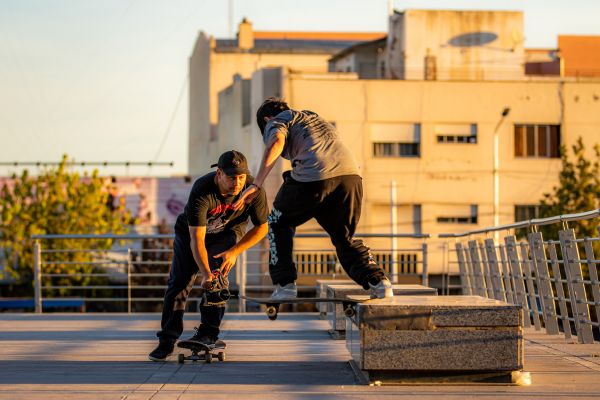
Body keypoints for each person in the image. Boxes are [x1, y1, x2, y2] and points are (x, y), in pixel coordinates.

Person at [233, 98, 393, 300]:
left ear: (267, 119)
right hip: (350, 177)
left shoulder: (277, 121)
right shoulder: (313, 117)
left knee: (277, 221)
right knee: (343, 237)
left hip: (314, 176)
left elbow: (277, 141)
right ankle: (379, 282)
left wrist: (256, 184)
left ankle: (285, 285)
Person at [149, 150, 269, 361]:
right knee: (179, 283)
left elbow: (262, 228)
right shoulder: (203, 189)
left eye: (241, 177)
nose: (237, 183)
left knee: (218, 278)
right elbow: (196, 239)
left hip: (227, 235)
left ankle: (208, 332)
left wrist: (234, 252)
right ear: (219, 174)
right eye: (232, 178)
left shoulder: (253, 190)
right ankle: (167, 341)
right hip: (191, 235)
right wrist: (204, 273)